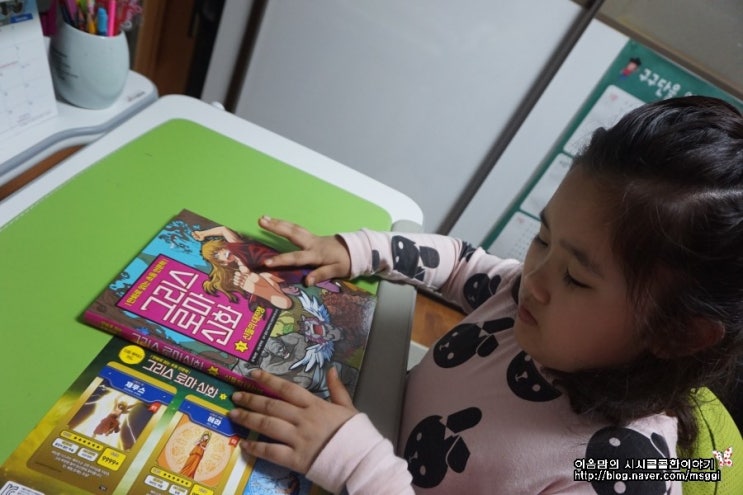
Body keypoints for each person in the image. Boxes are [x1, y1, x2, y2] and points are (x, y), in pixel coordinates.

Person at [228, 96, 743, 494]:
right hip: (360, 424)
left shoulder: (616, 473)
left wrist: (358, 464)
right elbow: (460, 262)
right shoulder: (531, 297)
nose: (533, 277)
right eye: (543, 238)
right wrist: (358, 250)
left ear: (676, 333)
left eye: (576, 278)